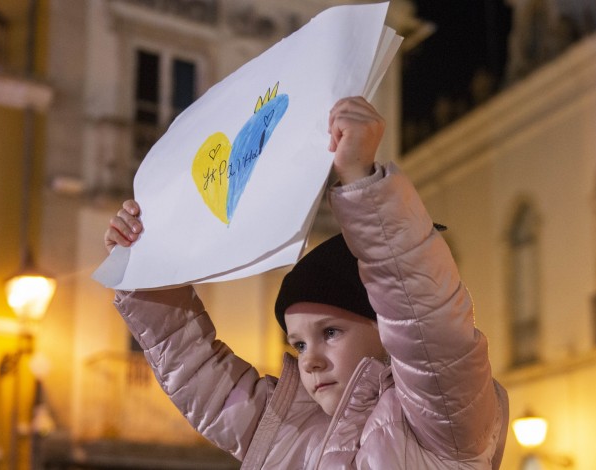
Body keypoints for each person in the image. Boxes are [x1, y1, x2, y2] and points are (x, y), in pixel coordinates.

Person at [104, 97, 509, 469]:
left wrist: (359, 177)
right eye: (297, 344)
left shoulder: (445, 419)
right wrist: (144, 266)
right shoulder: (287, 428)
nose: (309, 361)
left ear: (389, 327)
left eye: (330, 332)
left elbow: (424, 317)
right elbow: (197, 371)